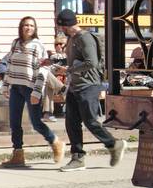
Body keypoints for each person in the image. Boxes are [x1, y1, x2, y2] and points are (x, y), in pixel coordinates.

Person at [52, 9, 124, 170]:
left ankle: (114, 144)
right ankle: (78, 158)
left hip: (89, 85)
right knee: (71, 123)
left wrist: (68, 71)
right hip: (75, 86)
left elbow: (92, 62)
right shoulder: (72, 39)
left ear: (66, 25)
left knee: (90, 121)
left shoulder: (85, 38)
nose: (60, 30)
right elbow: (76, 60)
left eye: (61, 26)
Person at [0, 16, 64, 167]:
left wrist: (37, 91)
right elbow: (9, 64)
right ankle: (18, 154)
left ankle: (55, 142)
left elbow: (43, 69)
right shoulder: (15, 43)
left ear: (35, 29)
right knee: (14, 123)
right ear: (21, 27)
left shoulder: (38, 45)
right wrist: (5, 85)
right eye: (26, 25)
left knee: (36, 123)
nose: (28, 28)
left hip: (30, 88)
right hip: (16, 87)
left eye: (31, 26)